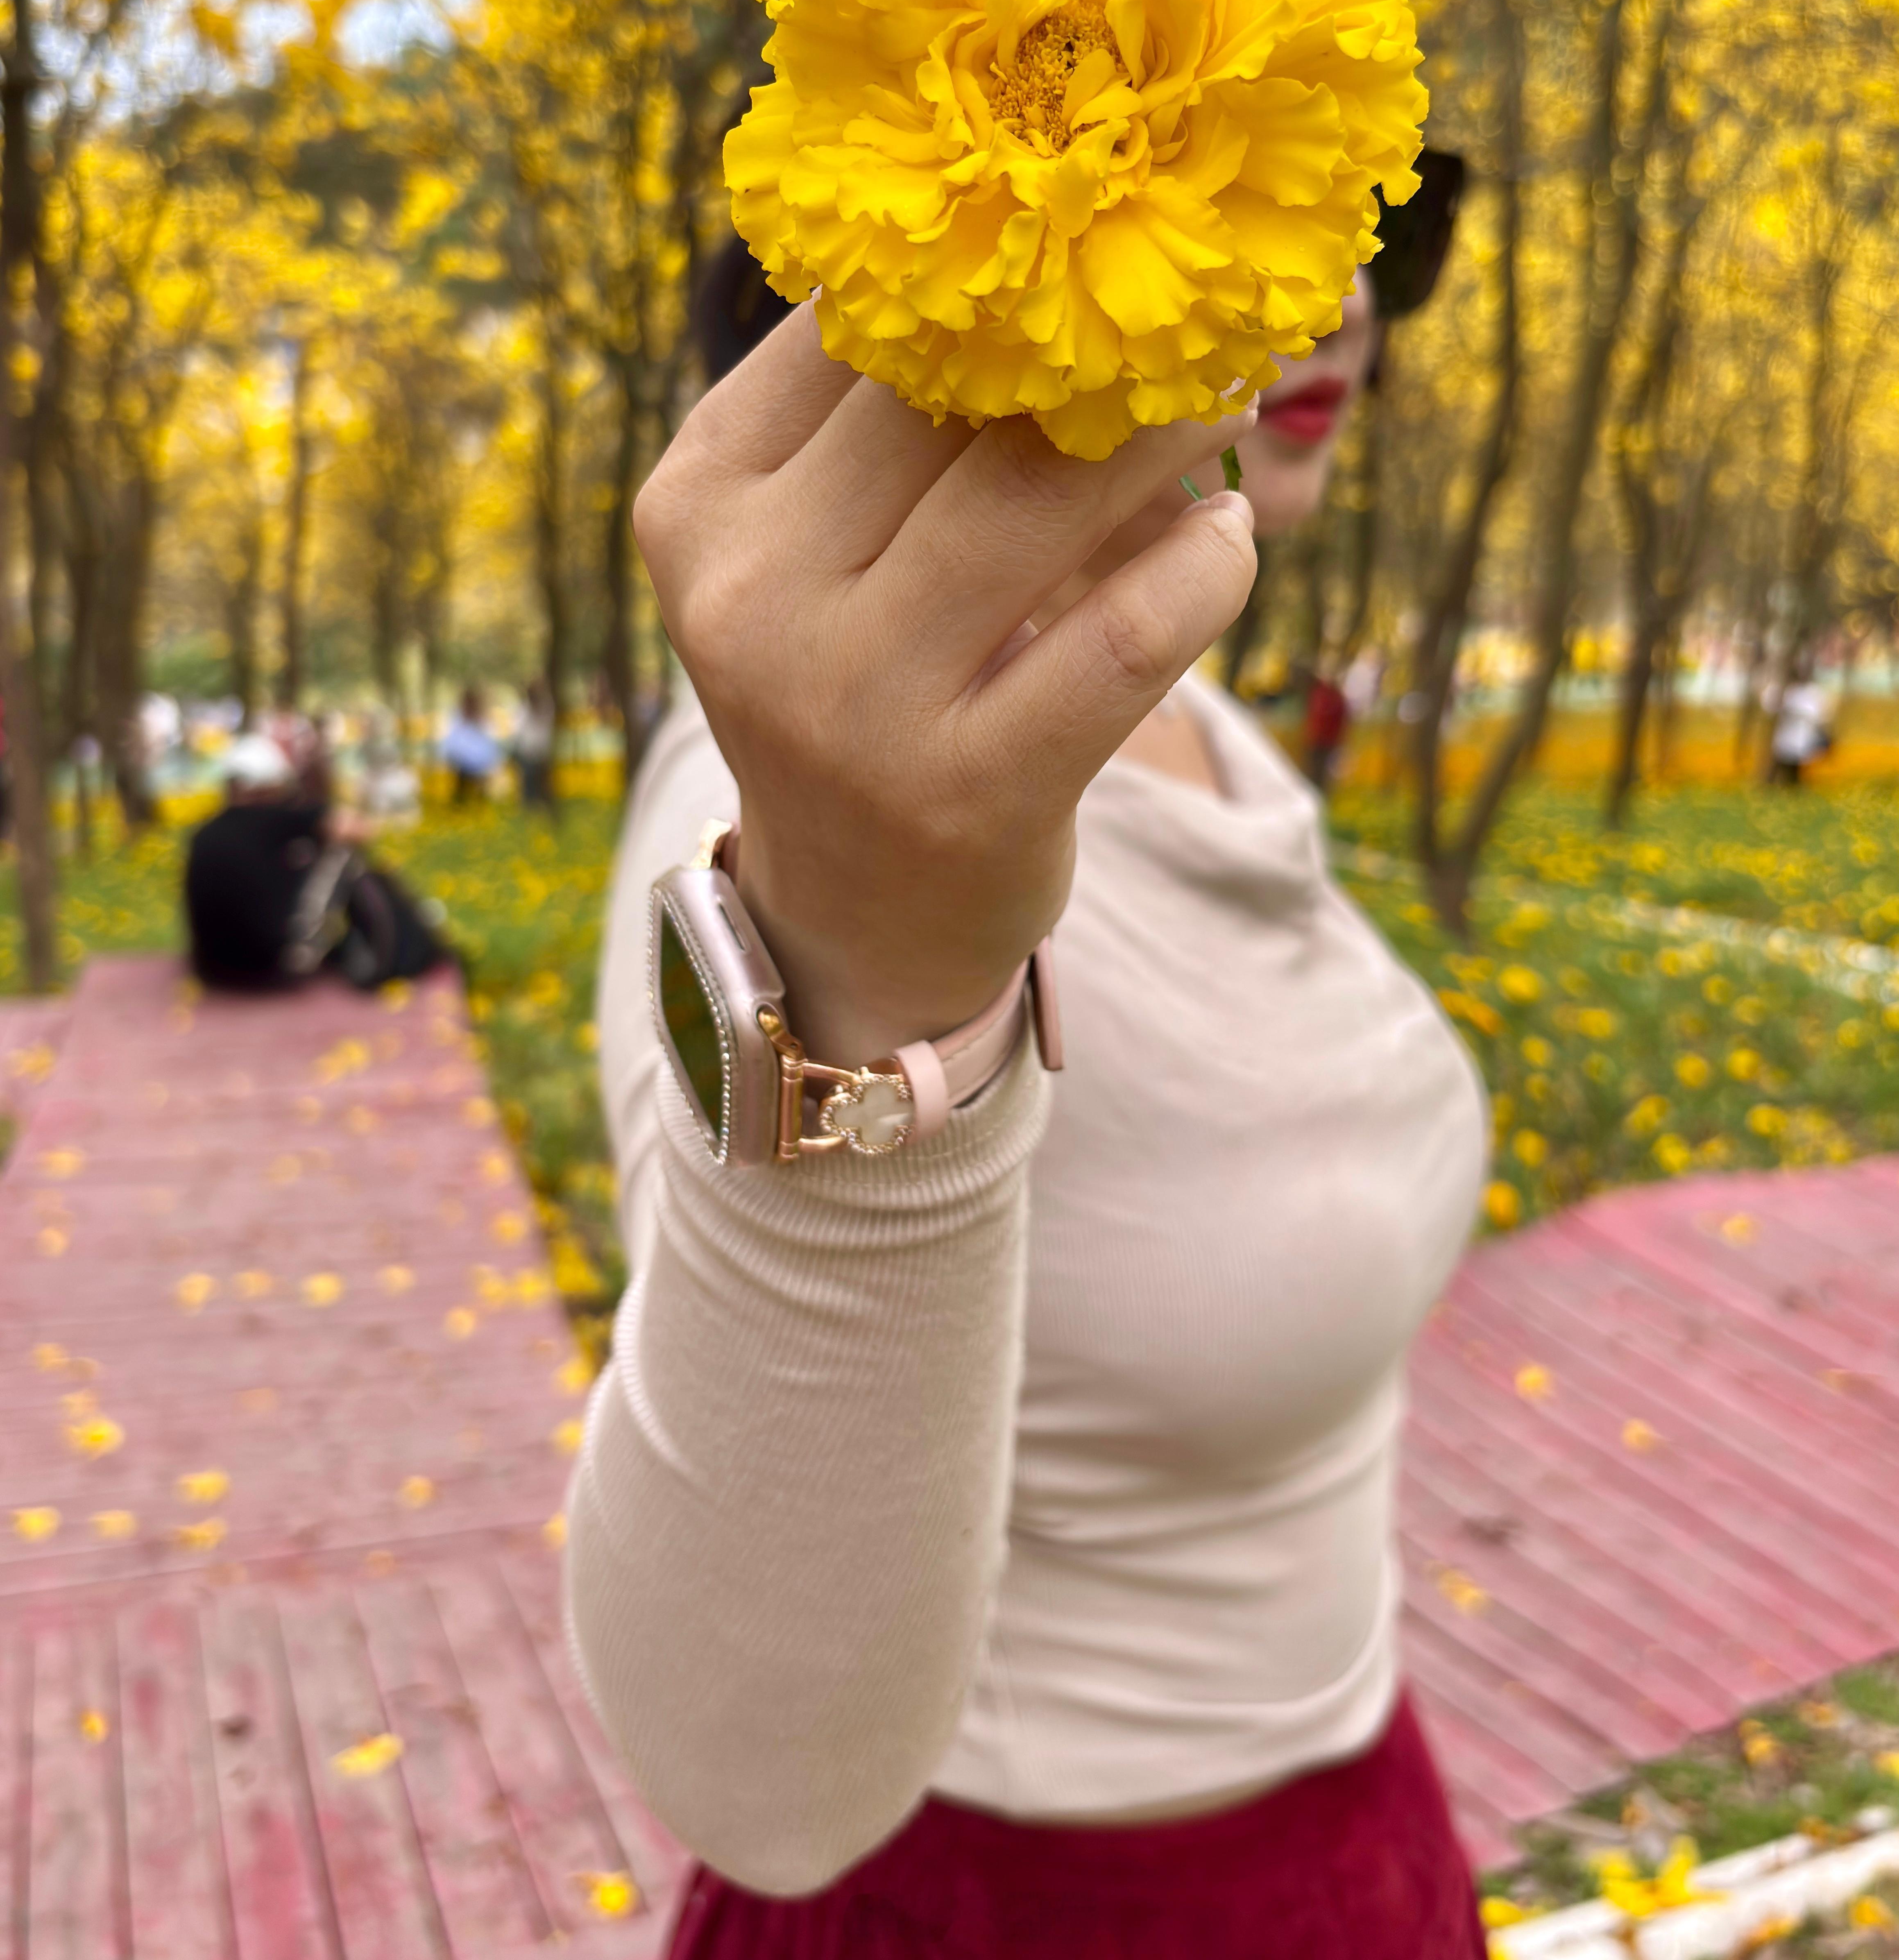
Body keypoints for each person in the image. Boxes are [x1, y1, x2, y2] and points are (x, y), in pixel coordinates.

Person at [571, 184, 1484, 1958]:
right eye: (1212, 188)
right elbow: (757, 1781)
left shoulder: (1185, 716)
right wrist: (863, 983)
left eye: (1347, 190)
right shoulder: (772, 818)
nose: (1345, 285)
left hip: (1362, 1849)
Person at [184, 733, 449, 990]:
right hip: (274, 970)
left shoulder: (203, 834)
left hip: (212, 973)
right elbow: (360, 830)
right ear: (271, 783)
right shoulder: (284, 818)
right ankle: (397, 943)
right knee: (342, 854)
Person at [1769, 661, 1832, 786]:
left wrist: (1794, 711)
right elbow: (1770, 706)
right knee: (1784, 757)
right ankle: (1782, 783)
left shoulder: (1813, 691)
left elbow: (1818, 713)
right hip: (1786, 732)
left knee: (1799, 760)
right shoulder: (1782, 688)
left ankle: (1794, 783)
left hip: (1804, 732)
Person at [440, 685, 500, 803]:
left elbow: (490, 744)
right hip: (462, 764)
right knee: (463, 793)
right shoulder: (458, 718)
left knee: (480, 795)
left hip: (480, 764)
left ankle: (477, 809)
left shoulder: (483, 720)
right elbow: (452, 741)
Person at [511, 677, 555, 808]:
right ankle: (530, 804)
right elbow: (518, 737)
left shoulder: (548, 708)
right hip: (528, 755)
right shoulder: (523, 711)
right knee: (529, 773)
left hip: (544, 755)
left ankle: (539, 803)